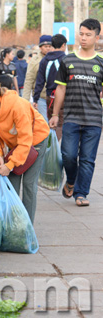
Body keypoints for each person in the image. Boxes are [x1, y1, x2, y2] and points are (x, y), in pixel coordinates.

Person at [0, 81, 50, 223]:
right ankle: (12, 223)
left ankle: (26, 226)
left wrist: (10, 164)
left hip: (35, 141)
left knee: (29, 185)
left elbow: (25, 141)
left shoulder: (17, 106)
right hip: (16, 145)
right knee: (11, 182)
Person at [50, 19, 103, 207]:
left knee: (88, 159)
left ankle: (81, 193)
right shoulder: (67, 60)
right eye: (81, 34)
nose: (83, 38)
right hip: (71, 118)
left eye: (88, 35)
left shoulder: (101, 62)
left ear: (97, 37)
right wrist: (55, 115)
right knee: (69, 156)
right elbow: (60, 90)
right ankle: (71, 180)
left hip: (94, 119)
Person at [33, 33, 67, 140]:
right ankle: (54, 147)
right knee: (60, 123)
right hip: (62, 96)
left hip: (49, 96)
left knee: (51, 121)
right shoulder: (66, 60)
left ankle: (49, 145)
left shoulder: (44, 60)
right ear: (63, 45)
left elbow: (40, 81)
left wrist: (35, 98)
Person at [23, 35, 53, 120]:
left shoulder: (55, 58)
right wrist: (25, 100)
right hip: (40, 97)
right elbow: (29, 80)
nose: (48, 48)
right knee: (44, 122)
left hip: (54, 97)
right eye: (45, 46)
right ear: (40, 47)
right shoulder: (34, 61)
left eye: (50, 46)